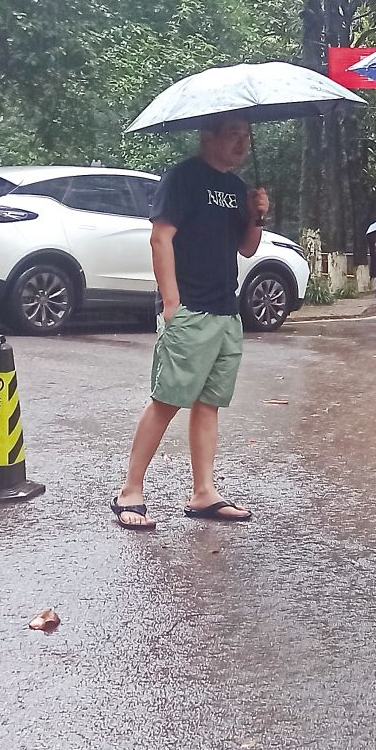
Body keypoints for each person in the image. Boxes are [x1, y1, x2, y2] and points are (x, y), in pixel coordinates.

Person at [111, 115, 269, 530]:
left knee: (208, 402)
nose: (242, 144)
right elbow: (160, 237)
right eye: (233, 135)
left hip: (226, 311)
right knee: (167, 399)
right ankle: (130, 490)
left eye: (245, 136)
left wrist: (257, 215)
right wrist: (171, 302)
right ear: (208, 136)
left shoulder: (237, 188)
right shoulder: (182, 178)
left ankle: (204, 493)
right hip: (190, 308)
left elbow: (247, 249)